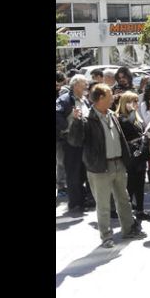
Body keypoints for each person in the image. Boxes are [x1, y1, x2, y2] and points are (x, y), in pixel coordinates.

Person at [68, 84, 147, 248]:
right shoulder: (87, 118)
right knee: (103, 204)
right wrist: (76, 122)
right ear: (101, 98)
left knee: (124, 200)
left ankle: (128, 229)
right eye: (110, 95)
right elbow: (75, 141)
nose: (113, 98)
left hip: (118, 163)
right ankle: (106, 236)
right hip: (99, 167)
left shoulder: (112, 114)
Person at [116, 90, 150, 222]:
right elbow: (128, 126)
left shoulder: (136, 116)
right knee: (130, 185)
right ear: (125, 103)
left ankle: (140, 210)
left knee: (140, 184)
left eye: (136, 101)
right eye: (132, 101)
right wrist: (132, 111)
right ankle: (127, 213)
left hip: (140, 153)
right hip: (130, 155)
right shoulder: (121, 118)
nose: (135, 104)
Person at [56, 74, 92, 213]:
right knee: (73, 172)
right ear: (76, 85)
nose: (87, 86)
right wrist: (66, 125)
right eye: (84, 83)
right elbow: (57, 114)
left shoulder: (85, 100)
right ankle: (75, 203)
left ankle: (84, 198)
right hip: (71, 141)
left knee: (84, 171)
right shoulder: (65, 99)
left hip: (84, 141)